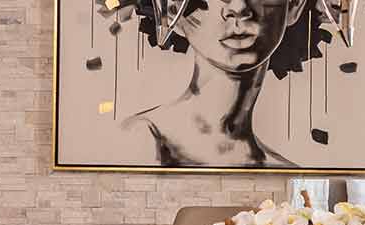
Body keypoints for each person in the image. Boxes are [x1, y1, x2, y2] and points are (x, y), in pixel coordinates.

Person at [123, 0, 310, 168]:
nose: (239, 8)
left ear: (294, 5)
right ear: (172, 9)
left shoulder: (284, 171)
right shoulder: (143, 137)